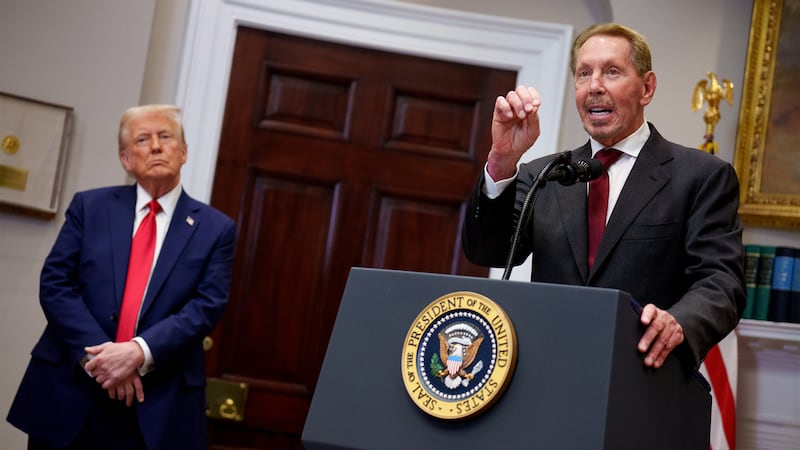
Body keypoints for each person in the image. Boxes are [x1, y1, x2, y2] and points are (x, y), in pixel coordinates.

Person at [462, 23, 744, 371]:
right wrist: (502, 161)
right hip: (546, 373)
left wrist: (678, 322)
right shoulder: (544, 175)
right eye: (584, 73)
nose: (594, 86)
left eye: (612, 72)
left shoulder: (699, 177)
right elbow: (486, 251)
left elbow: (722, 282)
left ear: (647, 88)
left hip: (642, 379)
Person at [7, 104, 237, 449]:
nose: (156, 146)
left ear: (184, 152)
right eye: (143, 139)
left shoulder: (215, 229)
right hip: (71, 389)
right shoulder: (90, 207)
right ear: (126, 159)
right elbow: (56, 284)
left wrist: (138, 352)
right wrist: (101, 363)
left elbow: (206, 306)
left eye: (166, 137)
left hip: (155, 404)